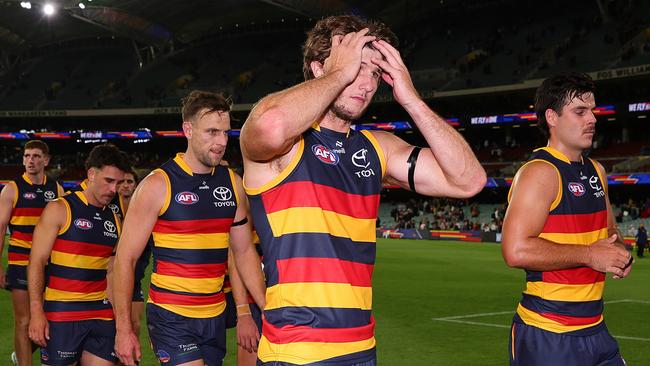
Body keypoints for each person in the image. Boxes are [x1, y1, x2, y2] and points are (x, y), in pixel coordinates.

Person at [240, 15, 485, 365]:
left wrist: (412, 99)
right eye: (357, 67)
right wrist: (340, 73)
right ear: (319, 69)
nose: (367, 84)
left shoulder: (376, 148)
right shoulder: (286, 146)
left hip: (361, 349)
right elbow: (270, 125)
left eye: (374, 73)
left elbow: (469, 180)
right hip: (297, 352)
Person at [112, 90, 265, 366]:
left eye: (225, 133)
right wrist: (123, 330)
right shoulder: (157, 185)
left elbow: (243, 252)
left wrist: (266, 308)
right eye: (211, 132)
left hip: (214, 316)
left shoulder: (232, 184)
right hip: (171, 316)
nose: (220, 142)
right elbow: (126, 258)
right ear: (188, 129)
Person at [502, 72, 633, 366]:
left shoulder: (596, 170)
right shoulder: (540, 172)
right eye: (580, 111)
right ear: (552, 117)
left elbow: (610, 229)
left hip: (596, 329)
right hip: (548, 333)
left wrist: (618, 251)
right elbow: (515, 250)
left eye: (593, 111)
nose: (593, 119)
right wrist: (589, 255)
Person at [27, 143, 130, 366]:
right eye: (109, 181)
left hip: (101, 314)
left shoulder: (114, 219)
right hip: (62, 313)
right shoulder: (60, 209)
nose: (114, 189)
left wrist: (121, 324)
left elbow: (112, 272)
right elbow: (36, 262)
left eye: (119, 183)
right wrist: (36, 310)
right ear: (91, 174)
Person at [0, 140, 64, 366]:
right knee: (24, 321)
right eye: (27, 156)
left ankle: (21, 353)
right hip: (20, 264)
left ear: (46, 160)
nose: (30, 161)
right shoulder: (12, 188)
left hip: (49, 265)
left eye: (36, 156)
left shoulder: (57, 189)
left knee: (52, 320)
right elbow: (0, 229)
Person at [116, 169, 152, 336]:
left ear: (136, 186)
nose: (125, 185)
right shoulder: (109, 211)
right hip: (110, 279)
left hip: (135, 278)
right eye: (121, 182)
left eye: (129, 182)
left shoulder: (146, 213)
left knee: (136, 325)